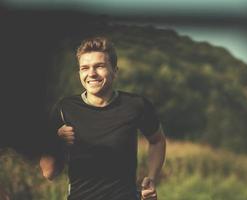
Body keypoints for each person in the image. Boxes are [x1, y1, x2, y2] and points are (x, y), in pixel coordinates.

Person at [39, 36, 166, 200]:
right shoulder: (65, 108)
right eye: (85, 68)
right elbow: (49, 173)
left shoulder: (136, 105)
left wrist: (152, 177)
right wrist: (57, 142)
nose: (91, 73)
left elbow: (157, 141)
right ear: (79, 73)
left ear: (115, 71)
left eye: (99, 66)